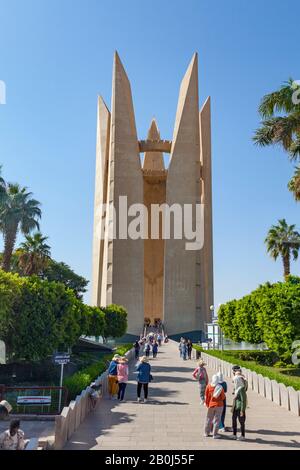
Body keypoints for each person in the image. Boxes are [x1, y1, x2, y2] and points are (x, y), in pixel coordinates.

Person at [204, 374, 226, 439]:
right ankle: (215, 434)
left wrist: (207, 404)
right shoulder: (220, 387)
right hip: (219, 405)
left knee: (208, 419)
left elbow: (206, 396)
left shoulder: (208, 386)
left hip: (211, 405)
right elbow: (223, 397)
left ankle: (206, 433)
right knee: (217, 420)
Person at [231, 374, 247, 440]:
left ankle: (242, 436)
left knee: (241, 422)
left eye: (235, 381)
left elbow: (243, 400)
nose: (234, 382)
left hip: (240, 408)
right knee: (233, 420)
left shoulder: (241, 389)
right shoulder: (237, 388)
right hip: (235, 407)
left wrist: (242, 410)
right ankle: (234, 434)